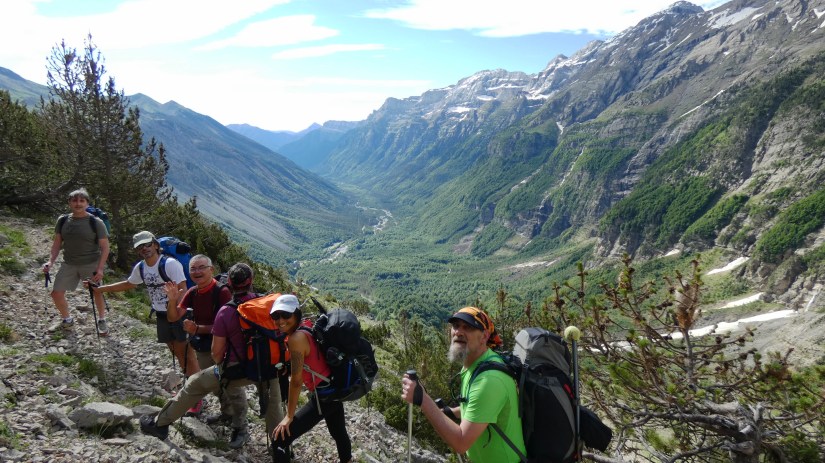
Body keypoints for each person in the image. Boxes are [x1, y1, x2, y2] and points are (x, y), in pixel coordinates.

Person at [140, 263, 284, 450]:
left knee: (194, 384)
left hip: (236, 369)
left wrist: (221, 367)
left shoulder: (226, 312)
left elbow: (216, 353)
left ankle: (159, 425)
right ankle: (282, 449)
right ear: (252, 281)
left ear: (229, 282)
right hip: (269, 366)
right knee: (275, 406)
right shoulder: (267, 304)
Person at [401, 307, 525, 463]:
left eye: (468, 327)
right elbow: (481, 406)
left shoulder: (489, 380)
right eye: (456, 326)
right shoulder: (474, 364)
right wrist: (453, 412)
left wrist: (423, 399)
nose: (458, 332)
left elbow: (460, 442)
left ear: (484, 336)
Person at [90, 231, 198, 379]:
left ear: (155, 245)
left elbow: (183, 289)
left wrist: (175, 310)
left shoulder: (170, 264)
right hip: (161, 314)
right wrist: (100, 289)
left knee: (186, 355)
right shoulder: (141, 267)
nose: (144, 249)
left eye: (147, 244)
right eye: (140, 247)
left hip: (178, 314)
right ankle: (191, 384)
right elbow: (129, 284)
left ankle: (196, 390)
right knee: (177, 352)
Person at [271, 294, 353, 463]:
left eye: (286, 315)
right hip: (333, 387)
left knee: (279, 440)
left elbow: (296, 381)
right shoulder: (306, 326)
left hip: (323, 396)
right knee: (338, 432)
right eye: (275, 316)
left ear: (296, 314)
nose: (280, 321)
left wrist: (289, 416)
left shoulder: (295, 338)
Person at [167, 254, 243, 418]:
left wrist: (197, 329)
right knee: (216, 384)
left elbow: (228, 326)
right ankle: (227, 414)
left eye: (202, 267)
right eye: (193, 269)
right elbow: (173, 317)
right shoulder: (192, 292)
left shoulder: (222, 292)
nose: (197, 272)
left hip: (223, 347)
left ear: (211, 270)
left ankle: (239, 422)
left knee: (230, 383)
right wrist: (172, 300)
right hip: (203, 346)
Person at [43, 188, 110, 335]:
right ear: (69, 203)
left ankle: (102, 319)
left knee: (97, 292)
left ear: (87, 203)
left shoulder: (96, 222)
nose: (78, 203)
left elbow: (105, 247)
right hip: (69, 263)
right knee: (56, 293)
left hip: (91, 262)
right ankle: (67, 320)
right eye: (74, 200)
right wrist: (50, 262)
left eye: (82, 200)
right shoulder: (63, 220)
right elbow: (57, 243)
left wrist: (100, 269)